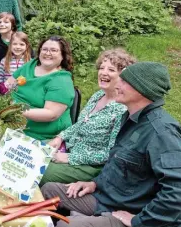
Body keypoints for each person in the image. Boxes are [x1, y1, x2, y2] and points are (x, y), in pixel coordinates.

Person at [41, 62, 181, 227]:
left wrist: (138, 220)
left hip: (133, 211)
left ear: (142, 89)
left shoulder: (162, 133)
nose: (117, 84)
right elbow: (118, 164)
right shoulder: (131, 119)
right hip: (108, 199)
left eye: (124, 81)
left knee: (67, 225)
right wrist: (94, 183)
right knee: (49, 190)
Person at [39, 49, 136, 185]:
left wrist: (70, 158)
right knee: (30, 150)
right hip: (69, 147)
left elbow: (111, 153)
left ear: (123, 76)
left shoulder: (122, 110)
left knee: (39, 172)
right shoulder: (98, 95)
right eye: (102, 68)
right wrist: (60, 137)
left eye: (111, 70)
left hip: (90, 166)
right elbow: (80, 124)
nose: (103, 72)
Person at [8, 36, 75, 141]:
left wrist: (14, 110)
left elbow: (50, 114)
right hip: (10, 123)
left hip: (37, 135)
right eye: (44, 49)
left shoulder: (61, 80)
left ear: (63, 55)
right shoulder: (31, 65)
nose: (47, 53)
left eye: (54, 50)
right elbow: (9, 84)